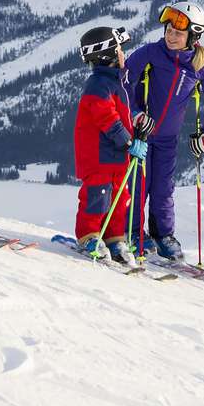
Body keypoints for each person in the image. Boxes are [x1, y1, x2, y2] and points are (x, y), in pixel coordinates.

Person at [122, 0, 204, 261]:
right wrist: (135, 113)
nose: (171, 36)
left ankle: (163, 235)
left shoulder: (200, 66)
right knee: (138, 187)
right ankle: (133, 233)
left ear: (193, 37)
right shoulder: (150, 53)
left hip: (168, 139)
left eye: (179, 33)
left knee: (163, 189)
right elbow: (123, 81)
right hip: (141, 135)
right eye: (169, 30)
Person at [73, 25, 152, 263]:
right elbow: (107, 119)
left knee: (120, 197)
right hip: (98, 156)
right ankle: (89, 235)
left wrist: (135, 135)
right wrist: (129, 142)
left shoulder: (116, 82)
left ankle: (114, 238)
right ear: (107, 55)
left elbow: (123, 117)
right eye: (119, 48)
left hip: (116, 156)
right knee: (98, 195)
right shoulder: (98, 85)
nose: (122, 53)